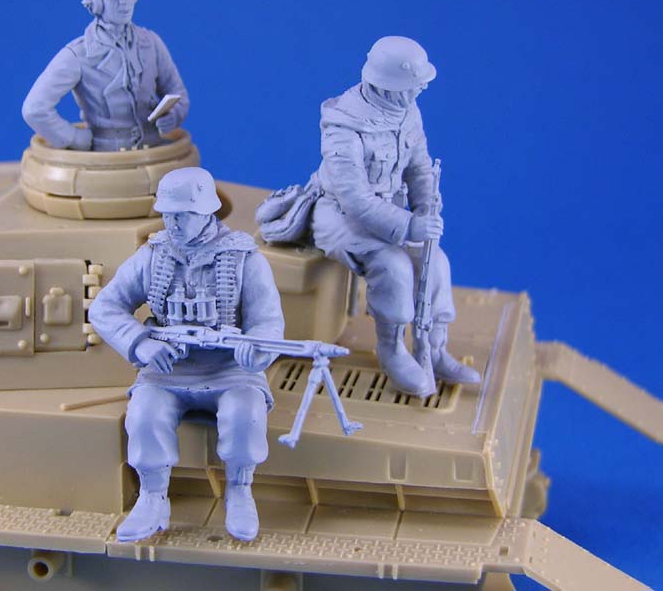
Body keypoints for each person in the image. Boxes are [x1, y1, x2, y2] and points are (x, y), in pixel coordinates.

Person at [258, 36, 479, 396]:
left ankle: (434, 347)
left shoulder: (407, 112)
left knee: (436, 261)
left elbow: (419, 168)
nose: (420, 90)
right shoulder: (343, 125)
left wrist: (425, 207)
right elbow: (354, 198)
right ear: (389, 84)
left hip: (390, 213)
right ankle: (392, 349)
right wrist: (409, 225)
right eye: (414, 84)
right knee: (393, 266)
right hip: (339, 215)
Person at [88, 167, 284, 542]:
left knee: (245, 413)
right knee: (144, 414)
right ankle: (152, 496)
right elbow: (104, 307)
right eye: (168, 214)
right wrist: (140, 343)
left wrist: (254, 350)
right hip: (167, 369)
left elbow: (268, 321)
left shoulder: (244, 258)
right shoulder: (153, 256)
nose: (173, 223)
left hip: (230, 369)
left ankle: (240, 490)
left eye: (183, 215)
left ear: (206, 211)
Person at [22, 0, 189, 152]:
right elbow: (34, 109)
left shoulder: (151, 43)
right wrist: (75, 138)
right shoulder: (78, 55)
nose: (124, 1)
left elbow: (178, 93)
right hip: (106, 158)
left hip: (155, 153)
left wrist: (174, 115)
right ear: (97, 1)